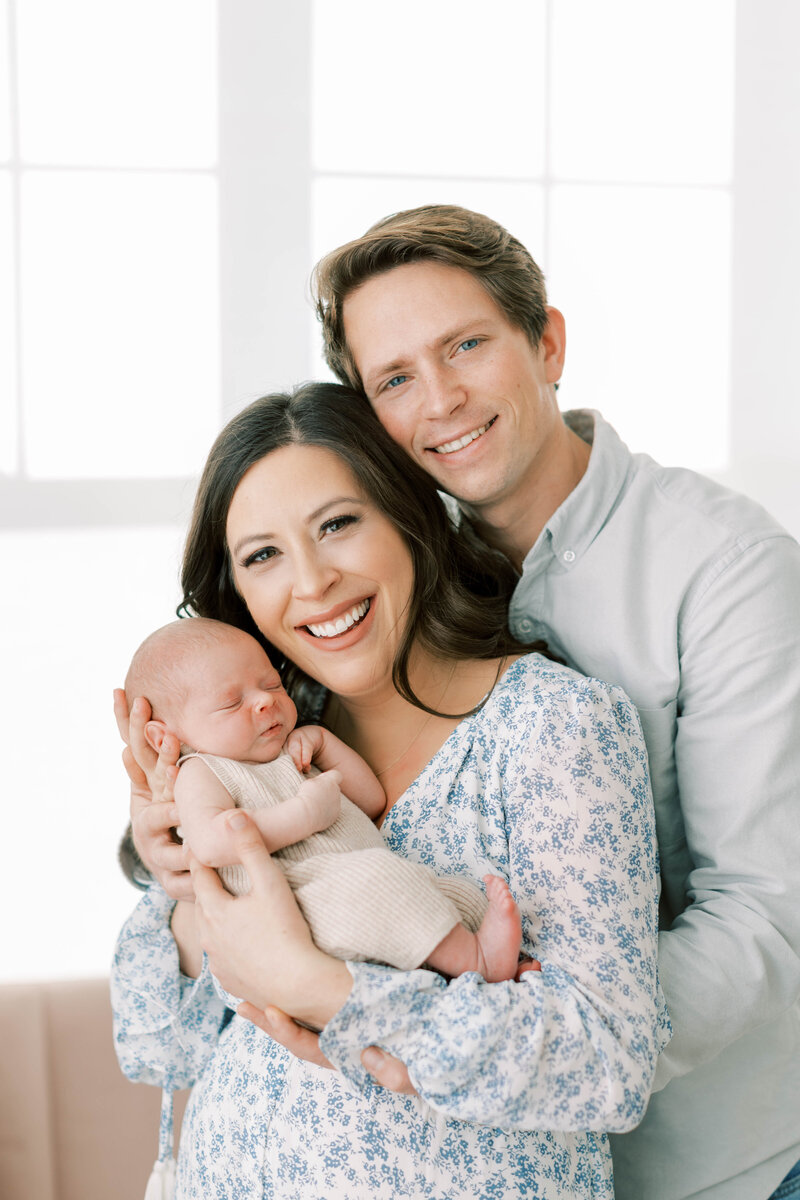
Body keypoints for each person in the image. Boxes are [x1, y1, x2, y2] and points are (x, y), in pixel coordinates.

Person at [301, 205, 800, 1200]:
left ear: (546, 342)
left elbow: (767, 913)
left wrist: (507, 1046)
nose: (438, 400)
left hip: (716, 1167)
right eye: (394, 378)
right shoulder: (381, 570)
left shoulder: (727, 568)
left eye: (465, 346)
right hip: (481, 1169)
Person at [112, 382, 668, 1199]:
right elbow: (159, 1047)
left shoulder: (551, 727)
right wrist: (189, 891)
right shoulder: (254, 740)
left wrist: (325, 988)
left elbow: (607, 1062)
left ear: (410, 517)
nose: (311, 582)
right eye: (262, 555)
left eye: (338, 524)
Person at [125, 615, 522, 980]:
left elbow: (369, 801)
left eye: (271, 685)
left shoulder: (289, 752)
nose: (265, 701)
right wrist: (304, 815)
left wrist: (323, 744)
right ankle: (477, 961)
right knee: (387, 885)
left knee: (452, 893)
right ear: (164, 738)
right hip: (303, 903)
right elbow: (211, 844)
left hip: (363, 886)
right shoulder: (201, 772)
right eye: (232, 702)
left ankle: (486, 954)